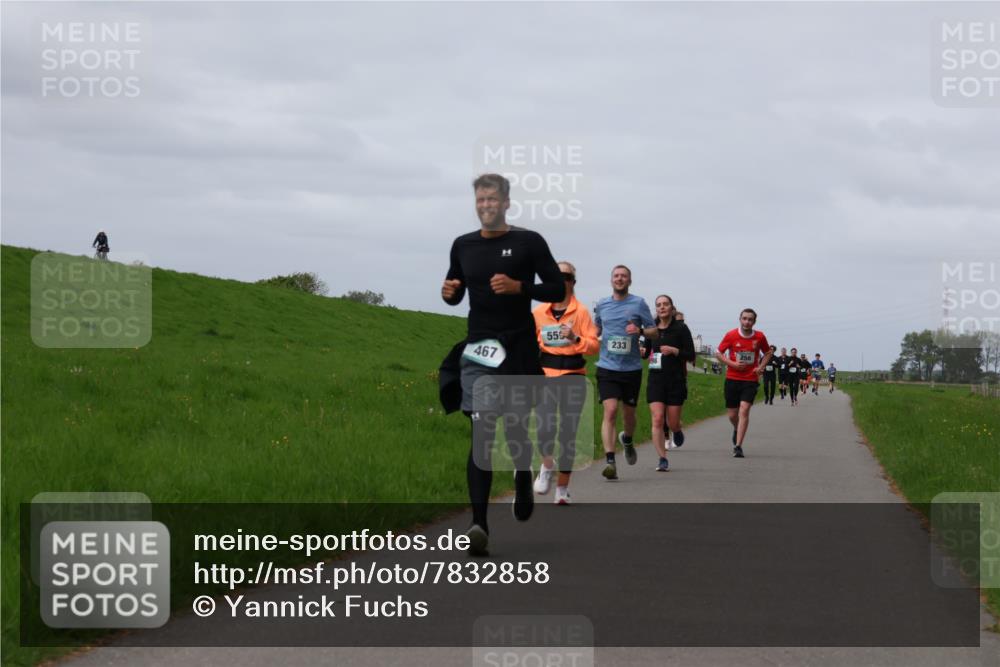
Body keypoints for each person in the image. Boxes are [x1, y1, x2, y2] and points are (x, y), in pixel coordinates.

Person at [442, 173, 564, 556]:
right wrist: (448, 292)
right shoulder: (462, 246)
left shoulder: (528, 242)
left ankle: (523, 474)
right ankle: (478, 525)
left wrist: (520, 287)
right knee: (482, 431)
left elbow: (557, 289)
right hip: (480, 348)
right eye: (480, 200)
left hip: (520, 349)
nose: (485, 206)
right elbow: (454, 291)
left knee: (513, 424)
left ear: (507, 203)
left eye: (492, 200)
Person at [532, 261, 599, 505]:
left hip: (573, 374)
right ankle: (546, 465)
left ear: (573, 282)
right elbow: (531, 342)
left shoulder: (581, 312)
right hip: (546, 374)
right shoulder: (539, 313)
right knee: (545, 427)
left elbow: (593, 346)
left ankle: (562, 489)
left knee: (568, 433)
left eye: (567, 276)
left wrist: (575, 337)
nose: (562, 280)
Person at [593, 265, 655, 480]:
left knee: (629, 416)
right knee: (610, 411)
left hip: (631, 369)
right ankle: (610, 460)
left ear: (630, 281)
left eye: (624, 276)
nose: (619, 279)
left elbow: (654, 331)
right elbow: (596, 330)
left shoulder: (638, 303)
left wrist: (639, 331)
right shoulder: (602, 304)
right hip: (607, 367)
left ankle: (627, 439)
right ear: (611, 280)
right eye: (616, 276)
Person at [643, 295, 695, 471]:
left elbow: (691, 355)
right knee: (657, 419)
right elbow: (646, 353)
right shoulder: (651, 329)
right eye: (658, 305)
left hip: (675, 380)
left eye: (665, 304)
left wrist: (674, 350)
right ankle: (662, 458)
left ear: (672, 308)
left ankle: (677, 430)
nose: (662, 307)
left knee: (672, 422)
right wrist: (642, 350)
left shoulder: (681, 328)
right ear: (656, 309)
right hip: (656, 380)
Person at [715, 309, 772, 458]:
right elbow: (718, 353)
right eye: (744, 319)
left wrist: (761, 367)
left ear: (754, 322)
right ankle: (736, 428)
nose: (747, 322)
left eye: (750, 319)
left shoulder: (759, 336)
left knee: (744, 409)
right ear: (740, 319)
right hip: (732, 378)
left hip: (750, 379)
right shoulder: (731, 335)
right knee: (733, 415)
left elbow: (768, 352)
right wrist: (732, 363)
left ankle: (738, 446)